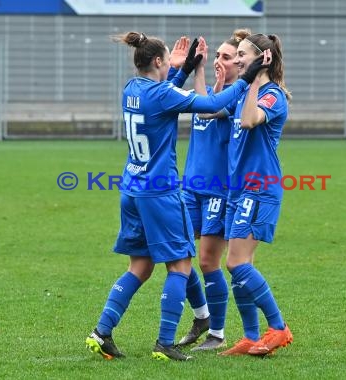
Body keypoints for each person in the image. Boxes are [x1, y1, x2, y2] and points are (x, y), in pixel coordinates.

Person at [84, 32, 268, 361]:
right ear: (158, 62)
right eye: (168, 59)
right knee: (181, 265)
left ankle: (102, 332)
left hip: (131, 189)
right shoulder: (163, 94)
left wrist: (184, 70)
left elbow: (164, 92)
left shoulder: (132, 88)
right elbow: (211, 104)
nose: (172, 63)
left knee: (139, 267)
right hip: (160, 192)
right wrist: (248, 78)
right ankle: (165, 343)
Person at [216, 33, 293, 356]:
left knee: (236, 263)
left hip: (259, 188)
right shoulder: (243, 91)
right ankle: (250, 335)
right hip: (239, 188)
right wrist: (209, 76)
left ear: (264, 59)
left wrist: (249, 86)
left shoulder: (273, 96)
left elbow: (249, 121)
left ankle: (278, 327)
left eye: (242, 56)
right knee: (239, 263)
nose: (236, 61)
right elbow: (208, 112)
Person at [177, 30, 250, 351]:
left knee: (207, 262)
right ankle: (202, 316)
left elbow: (207, 109)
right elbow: (201, 102)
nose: (219, 61)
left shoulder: (238, 97)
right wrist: (196, 69)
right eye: (216, 55)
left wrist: (204, 73)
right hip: (190, 188)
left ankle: (217, 334)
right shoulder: (208, 91)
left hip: (218, 192)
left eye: (225, 57)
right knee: (178, 253)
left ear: (240, 63)